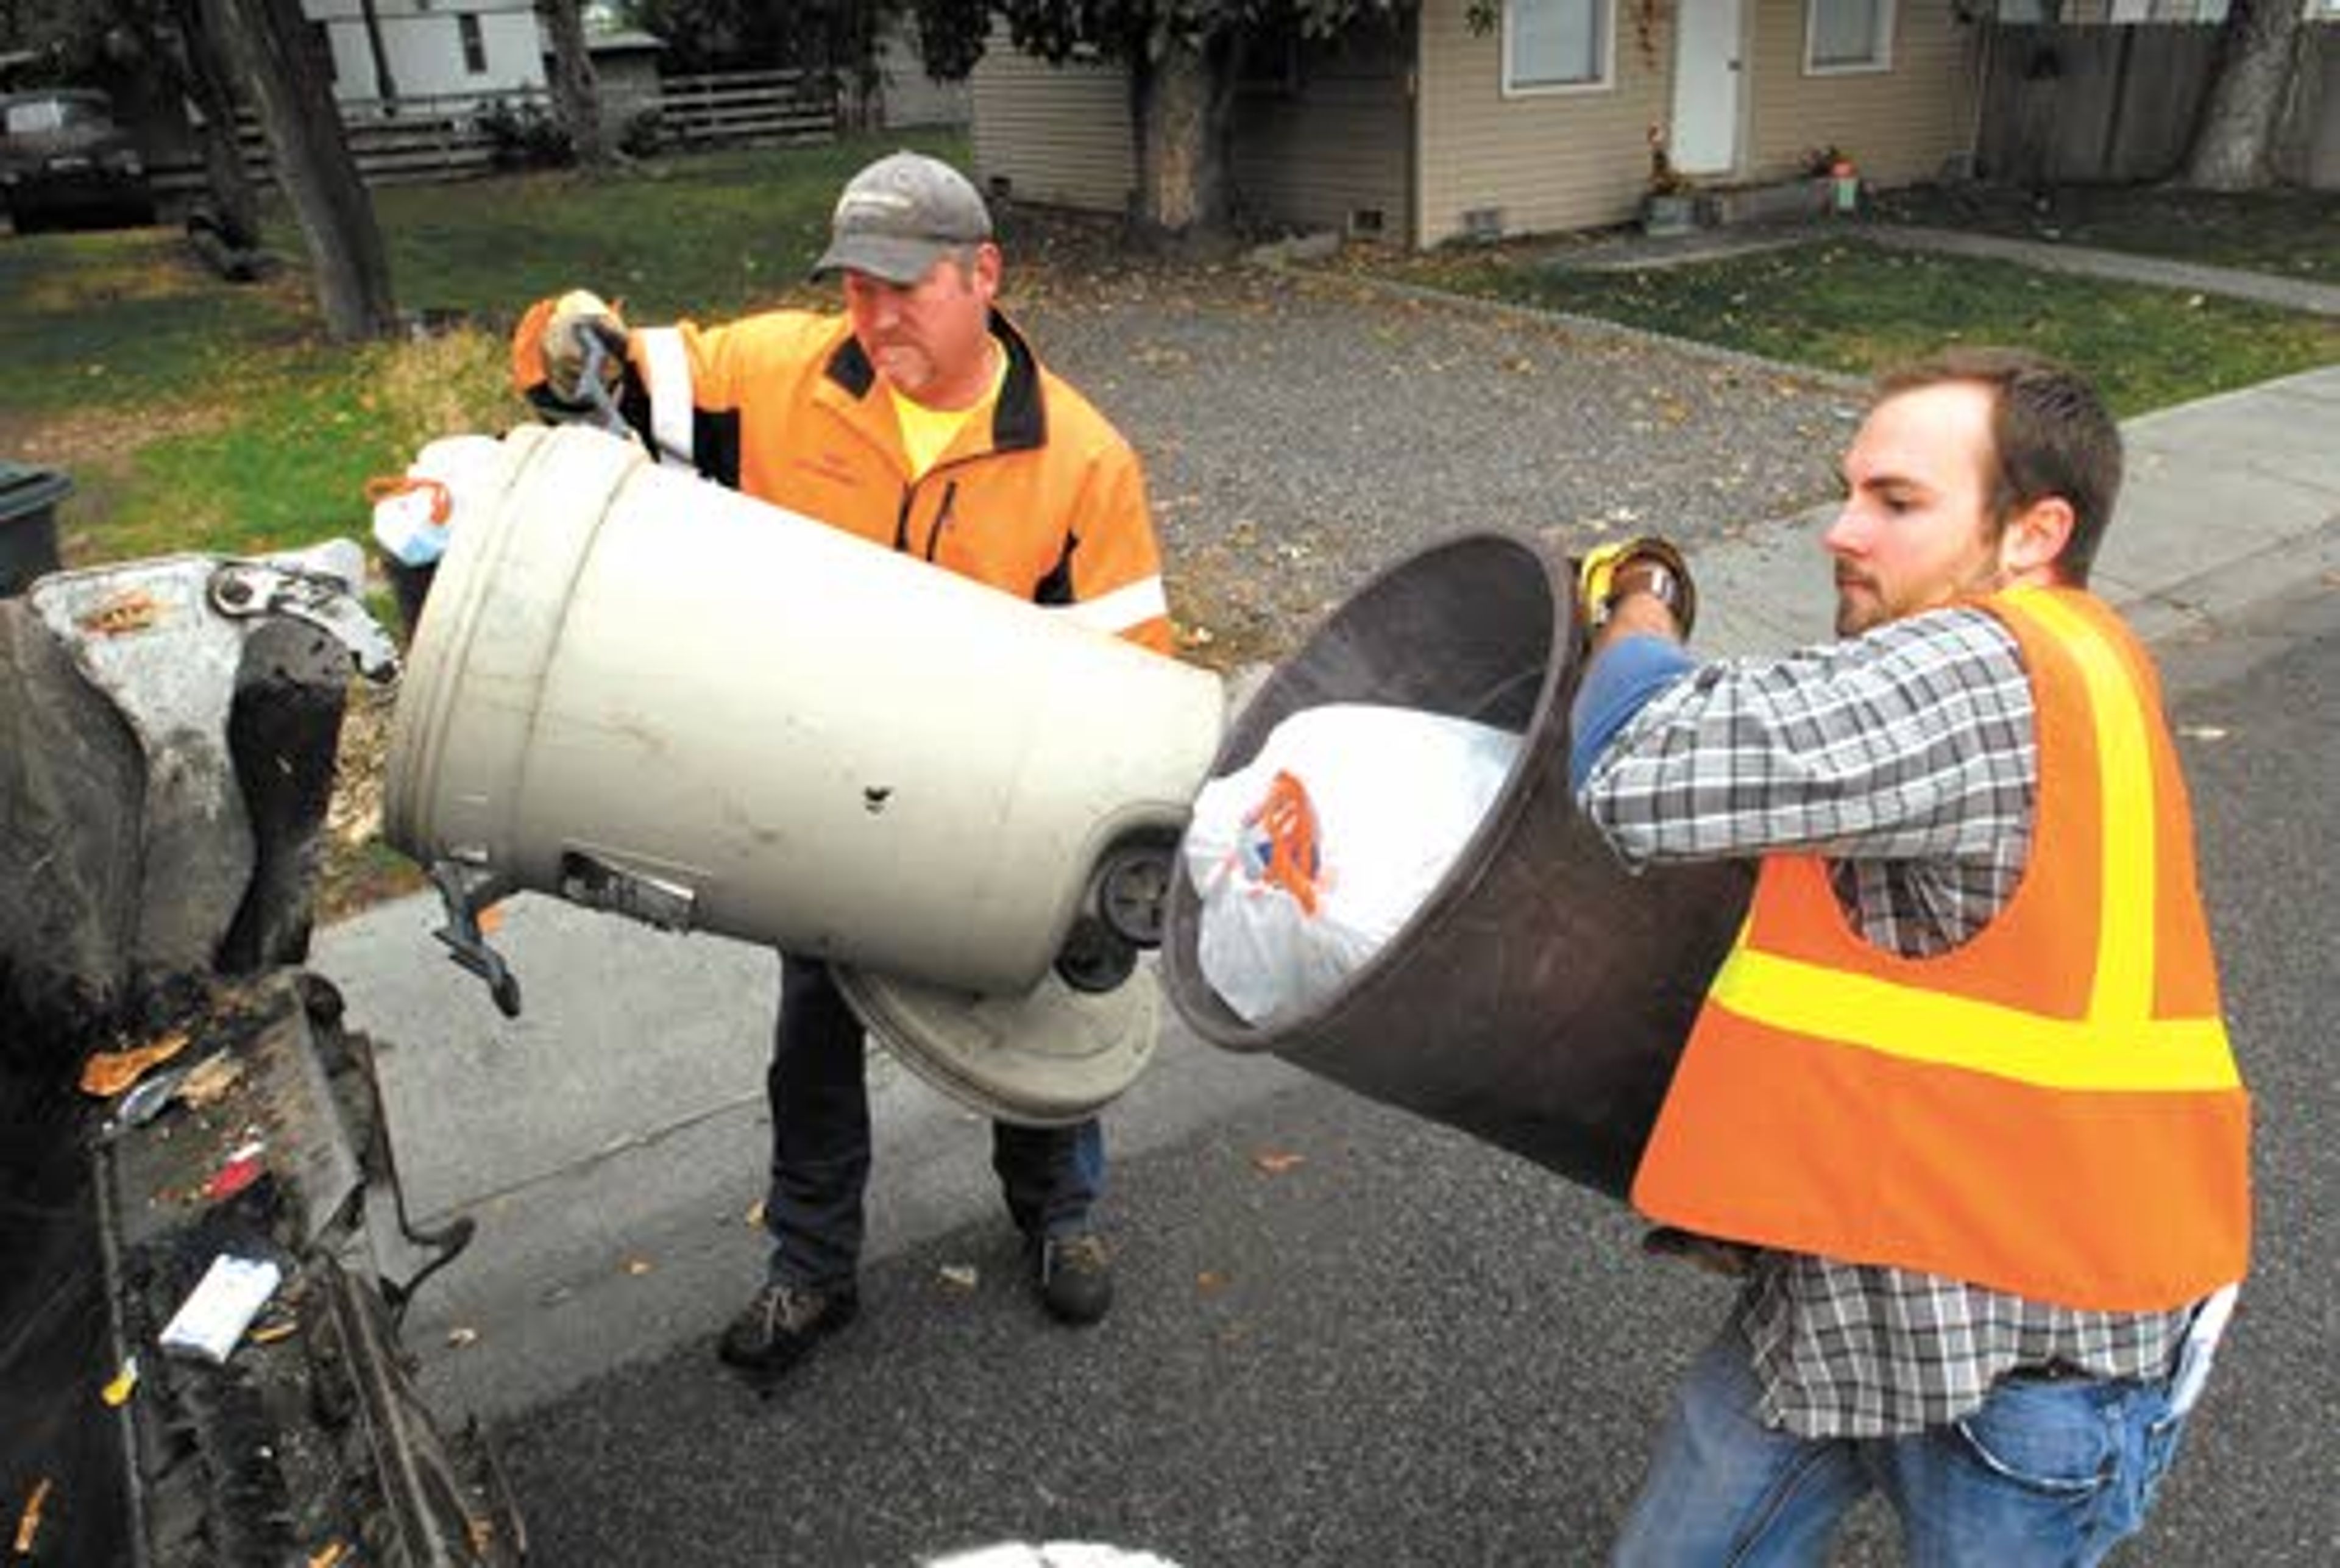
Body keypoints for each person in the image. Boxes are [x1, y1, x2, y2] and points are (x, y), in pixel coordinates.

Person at [1566, 347, 2250, 1566]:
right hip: (1863, 1295)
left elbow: (1636, 766)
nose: (1839, 530)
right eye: (1849, 490)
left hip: (2022, 1361)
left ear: (2036, 530)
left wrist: (1641, 600)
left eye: (1896, 502)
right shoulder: (2080, 654)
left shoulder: (1977, 669)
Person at [510, 149, 1175, 1386]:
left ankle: (1060, 1217)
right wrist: (561, 332)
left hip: (991, 810)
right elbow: (605, 358)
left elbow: (1131, 689)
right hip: (817, 801)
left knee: (1034, 1017)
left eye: (902, 288)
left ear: (985, 275)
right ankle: (810, 1267)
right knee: (813, 1040)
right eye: (854, 288)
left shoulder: (1083, 461)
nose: (872, 318)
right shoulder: (777, 374)